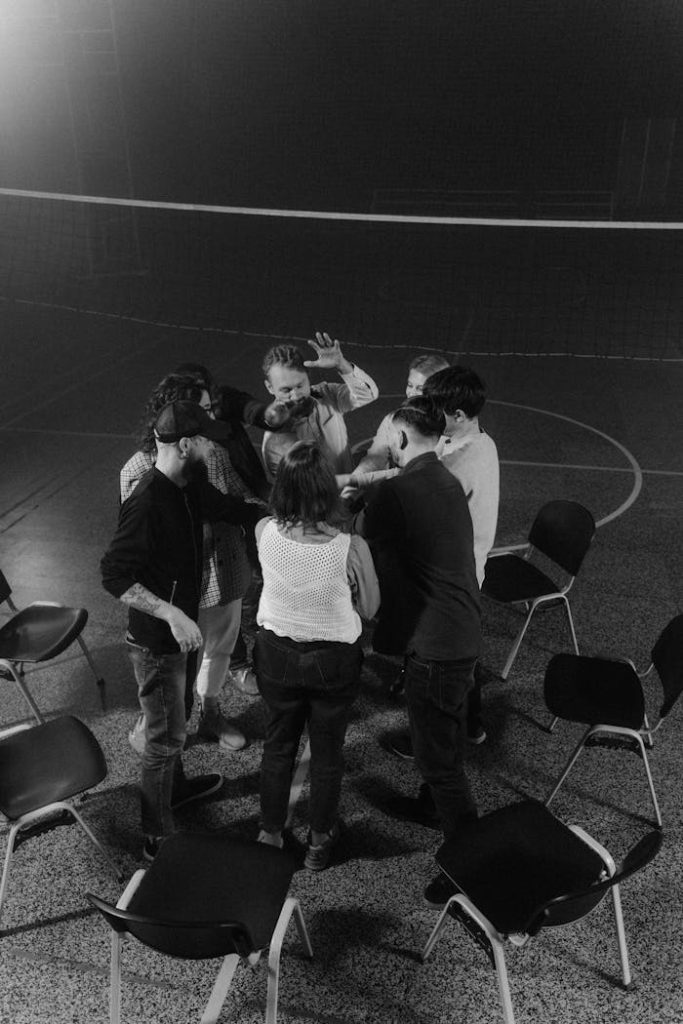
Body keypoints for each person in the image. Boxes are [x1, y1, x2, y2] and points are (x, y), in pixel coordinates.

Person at [102, 400, 260, 861]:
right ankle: (156, 837)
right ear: (187, 443)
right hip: (157, 643)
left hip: (182, 634)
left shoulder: (189, 485)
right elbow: (114, 575)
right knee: (164, 738)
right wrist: (171, 613)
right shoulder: (147, 500)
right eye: (207, 438)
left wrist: (279, 518)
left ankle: (179, 789)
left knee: (179, 717)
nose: (213, 445)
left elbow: (230, 508)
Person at [354, 397, 481, 905]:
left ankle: (468, 866)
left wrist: (366, 475)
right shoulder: (444, 480)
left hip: (435, 647)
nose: (383, 444)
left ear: (402, 439)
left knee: (440, 762)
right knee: (445, 740)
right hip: (463, 632)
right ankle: (432, 807)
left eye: (386, 436)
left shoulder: (399, 492)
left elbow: (360, 535)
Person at [254, 441, 380, 870]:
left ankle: (269, 831)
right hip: (332, 660)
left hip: (275, 654)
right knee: (327, 753)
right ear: (327, 489)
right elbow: (370, 608)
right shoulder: (351, 547)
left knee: (278, 745)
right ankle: (320, 840)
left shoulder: (263, 531)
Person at [120, 373, 261, 753]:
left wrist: (268, 518)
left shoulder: (211, 454)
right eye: (200, 413)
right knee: (173, 669)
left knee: (220, 647)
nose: (208, 426)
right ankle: (159, 727)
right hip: (179, 590)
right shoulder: (139, 474)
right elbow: (123, 569)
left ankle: (209, 714)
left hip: (225, 571)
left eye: (208, 411)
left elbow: (236, 500)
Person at [261, 331, 379, 479]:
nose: (296, 396)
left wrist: (342, 365)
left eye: (300, 386)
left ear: (308, 377)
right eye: (286, 390)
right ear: (270, 387)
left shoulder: (327, 394)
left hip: (352, 493)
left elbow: (368, 395)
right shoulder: (275, 439)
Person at [354, 353, 450, 475]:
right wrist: (350, 485)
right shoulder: (393, 420)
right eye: (410, 385)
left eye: (420, 388)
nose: (411, 393)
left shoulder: (453, 430)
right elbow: (374, 460)